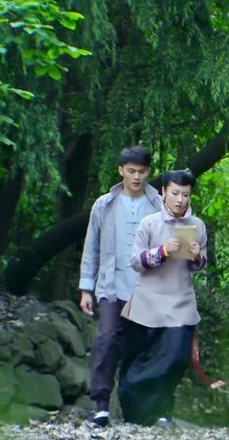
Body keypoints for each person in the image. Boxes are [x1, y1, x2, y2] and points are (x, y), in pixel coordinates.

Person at [78, 146, 162, 427]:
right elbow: (91, 247)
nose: (136, 177)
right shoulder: (104, 205)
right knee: (107, 339)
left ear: (148, 172)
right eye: (131, 171)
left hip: (148, 289)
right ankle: (101, 406)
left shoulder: (158, 204)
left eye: (141, 172)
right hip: (111, 287)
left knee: (141, 347)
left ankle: (136, 410)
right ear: (121, 170)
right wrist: (85, 288)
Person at [119, 169, 207, 427]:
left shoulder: (197, 226)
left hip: (181, 303)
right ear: (164, 192)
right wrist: (163, 251)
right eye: (175, 193)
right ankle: (137, 414)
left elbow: (199, 266)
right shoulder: (149, 223)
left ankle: (161, 412)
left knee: (176, 359)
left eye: (186, 195)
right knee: (141, 361)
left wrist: (197, 256)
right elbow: (136, 262)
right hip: (148, 304)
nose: (180, 200)